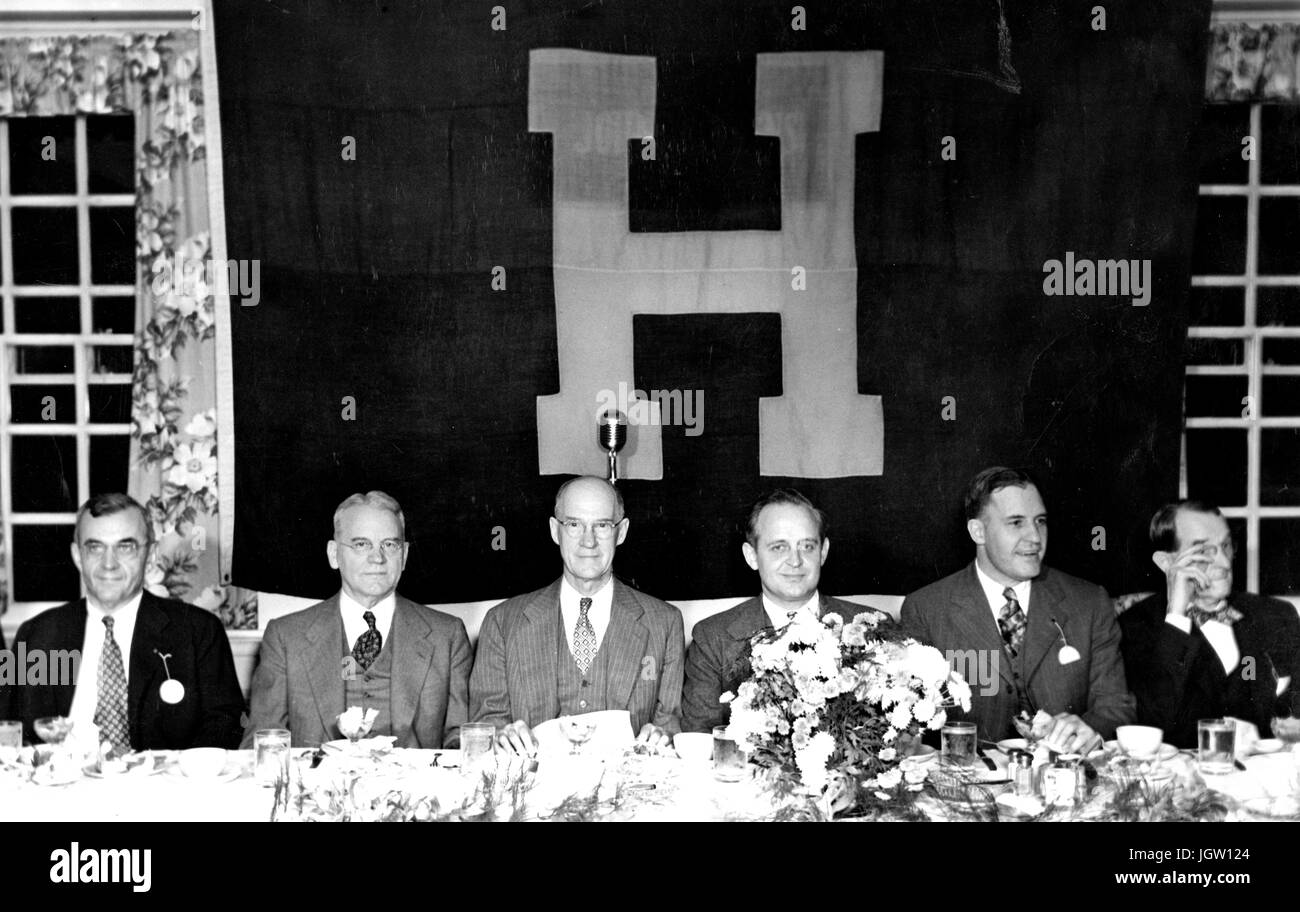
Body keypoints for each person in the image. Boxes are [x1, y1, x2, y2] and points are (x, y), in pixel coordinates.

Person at [900, 467, 1134, 753]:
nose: (1035, 537)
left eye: (1040, 521)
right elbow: (910, 724)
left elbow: (1116, 707)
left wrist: (1091, 730)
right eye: (1016, 523)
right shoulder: (926, 609)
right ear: (978, 531)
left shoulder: (1089, 602)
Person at [0, 493, 244, 749]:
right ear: (76, 556)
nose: (109, 564)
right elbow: (9, 730)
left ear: (150, 555)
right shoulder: (37, 636)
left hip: (162, 787)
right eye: (95, 547)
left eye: (125, 547)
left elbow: (225, 726)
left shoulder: (198, 632)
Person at [469, 476, 684, 754]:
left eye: (602, 525)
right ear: (554, 530)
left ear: (622, 532)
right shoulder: (502, 622)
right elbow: (487, 725)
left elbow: (669, 724)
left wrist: (662, 738)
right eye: (574, 525)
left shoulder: (664, 623)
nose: (588, 541)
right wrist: (501, 736)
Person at [242, 491, 471, 748]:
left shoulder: (447, 636)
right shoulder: (286, 637)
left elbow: (463, 741)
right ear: (333, 554)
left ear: (404, 555)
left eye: (390, 544)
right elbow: (261, 742)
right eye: (361, 544)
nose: (377, 557)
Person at [681, 489, 892, 733]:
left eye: (807, 546)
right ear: (752, 556)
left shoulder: (871, 627)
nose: (795, 561)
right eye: (779, 547)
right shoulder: (713, 638)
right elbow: (700, 738)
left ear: (823, 552)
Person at [1119, 500, 1300, 748]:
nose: (1225, 563)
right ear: (1166, 563)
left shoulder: (1276, 615)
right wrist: (1177, 616)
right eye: (1203, 551)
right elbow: (1156, 723)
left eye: (1225, 546)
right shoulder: (1135, 625)